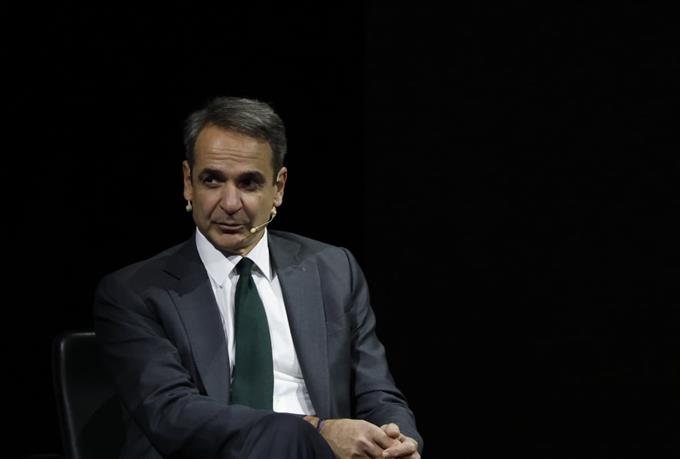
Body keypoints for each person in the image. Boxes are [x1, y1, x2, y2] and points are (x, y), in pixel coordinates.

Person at [93, 96, 423, 459]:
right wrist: (316, 431)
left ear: (278, 188)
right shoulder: (135, 292)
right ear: (188, 183)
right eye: (212, 180)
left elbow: (378, 394)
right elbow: (173, 414)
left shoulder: (333, 270)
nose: (229, 203)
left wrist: (397, 441)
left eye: (249, 183)